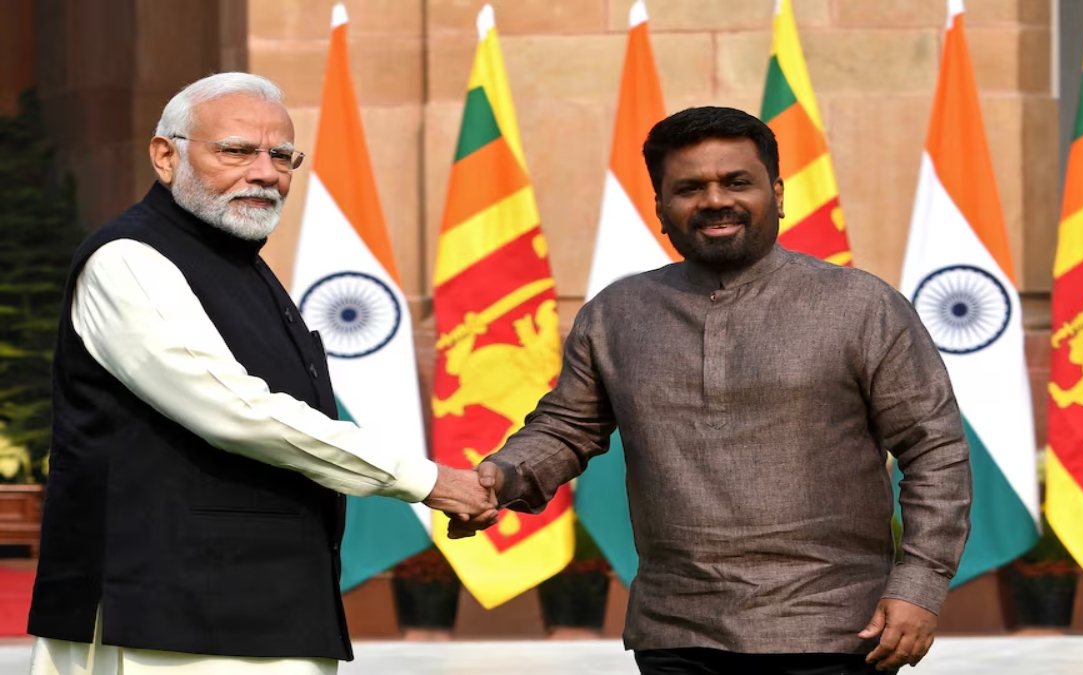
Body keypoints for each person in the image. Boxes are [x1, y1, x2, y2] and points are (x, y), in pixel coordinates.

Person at [452, 106, 972, 674]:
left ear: (777, 193)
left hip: (833, 627)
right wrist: (498, 479)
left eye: (737, 182)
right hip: (676, 629)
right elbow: (567, 426)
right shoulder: (617, 314)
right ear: (661, 208)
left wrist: (920, 583)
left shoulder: (862, 306)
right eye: (690, 187)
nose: (715, 200)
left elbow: (935, 450)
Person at [27, 72, 495, 675]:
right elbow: (237, 412)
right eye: (236, 151)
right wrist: (427, 480)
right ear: (165, 156)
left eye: (282, 155)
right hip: (163, 619)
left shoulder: (239, 264)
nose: (266, 172)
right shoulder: (129, 259)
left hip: (260, 611)